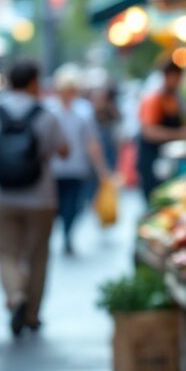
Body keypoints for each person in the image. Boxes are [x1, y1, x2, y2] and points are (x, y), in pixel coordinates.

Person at [0, 60, 69, 337]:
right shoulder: (46, 115)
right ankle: (33, 314)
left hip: (3, 195)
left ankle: (15, 295)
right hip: (41, 198)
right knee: (37, 256)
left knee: (5, 252)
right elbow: (63, 151)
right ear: (33, 82)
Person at [47, 67, 109, 255]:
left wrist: (101, 169)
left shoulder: (84, 110)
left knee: (75, 205)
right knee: (56, 205)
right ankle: (61, 231)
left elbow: (92, 142)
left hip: (77, 167)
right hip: (54, 169)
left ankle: (68, 233)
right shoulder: (50, 110)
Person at [137, 60, 186, 201]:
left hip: (166, 159)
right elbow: (149, 132)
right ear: (169, 76)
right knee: (154, 198)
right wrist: (180, 134)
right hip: (152, 158)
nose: (179, 82)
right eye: (177, 78)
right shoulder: (153, 99)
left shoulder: (173, 99)